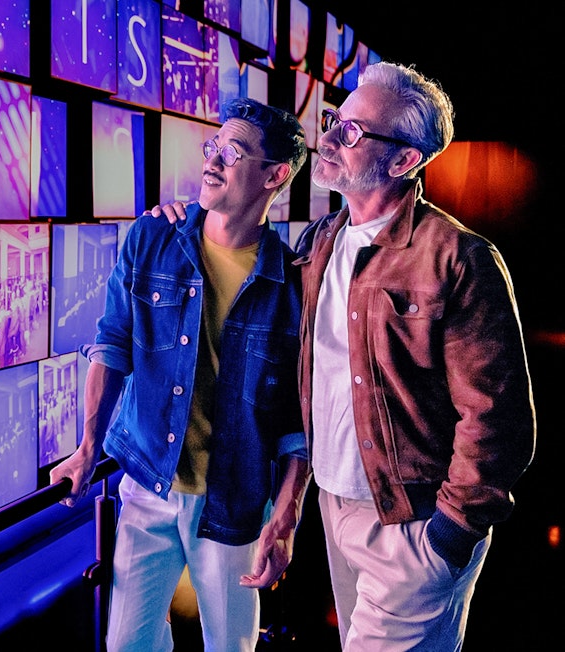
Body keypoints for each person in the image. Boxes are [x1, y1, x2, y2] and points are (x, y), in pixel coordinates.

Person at [155, 62, 537, 651]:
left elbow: (498, 418)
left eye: (352, 132)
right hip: (336, 510)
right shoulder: (319, 243)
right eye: (334, 121)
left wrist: (447, 538)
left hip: (413, 523)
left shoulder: (457, 259)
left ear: (405, 161)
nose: (326, 139)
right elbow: (312, 386)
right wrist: (177, 225)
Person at [51, 98, 311, 651]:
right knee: (127, 645)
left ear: (275, 176)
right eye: (212, 147)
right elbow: (112, 344)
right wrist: (86, 448)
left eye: (233, 152)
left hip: (233, 500)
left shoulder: (290, 285)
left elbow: (296, 421)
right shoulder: (152, 239)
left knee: (230, 646)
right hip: (147, 480)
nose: (212, 161)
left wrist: (285, 517)